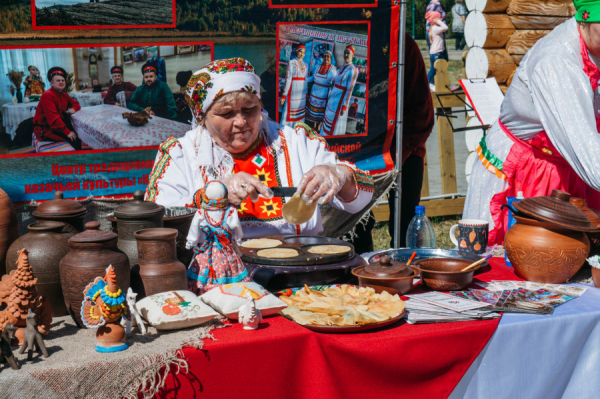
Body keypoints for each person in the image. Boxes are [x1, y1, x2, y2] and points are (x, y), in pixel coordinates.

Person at [145, 57, 373, 239]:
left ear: (261, 106)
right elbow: (156, 220)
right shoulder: (180, 153)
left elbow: (361, 198)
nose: (240, 121)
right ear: (203, 117)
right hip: (215, 275)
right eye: (226, 114)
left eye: (249, 109)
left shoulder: (294, 141)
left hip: (297, 268)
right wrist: (216, 192)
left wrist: (339, 175)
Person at [463, 4, 600, 245]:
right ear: (584, 19)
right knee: (528, 260)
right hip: (529, 174)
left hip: (571, 168)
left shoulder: (593, 43)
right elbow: (593, 161)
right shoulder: (557, 63)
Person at [347, 33, 434, 253]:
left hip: (405, 147)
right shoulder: (348, 37)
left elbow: (422, 115)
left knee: (406, 225)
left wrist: (394, 156)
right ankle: (359, 271)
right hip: (357, 152)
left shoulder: (404, 44)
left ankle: (405, 271)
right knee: (356, 224)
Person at [32, 67, 82, 150]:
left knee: (77, 137)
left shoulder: (63, 95)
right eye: (58, 80)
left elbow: (76, 104)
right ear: (51, 83)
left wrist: (74, 108)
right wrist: (68, 132)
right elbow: (53, 119)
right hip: (46, 129)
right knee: (73, 138)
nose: (61, 82)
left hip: (55, 127)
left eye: (63, 80)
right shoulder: (47, 95)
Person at [321, 45, 359, 136]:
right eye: (345, 53)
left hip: (340, 101)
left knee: (335, 125)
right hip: (333, 99)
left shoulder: (352, 70)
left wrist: (345, 106)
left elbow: (349, 89)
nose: (346, 55)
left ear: (352, 55)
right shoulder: (341, 68)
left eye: (348, 53)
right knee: (327, 121)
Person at [305, 50, 337, 132]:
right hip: (315, 90)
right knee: (313, 109)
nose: (326, 58)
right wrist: (304, 80)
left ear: (330, 59)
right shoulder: (318, 66)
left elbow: (335, 82)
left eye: (328, 57)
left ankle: (319, 125)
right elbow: (313, 77)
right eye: (325, 56)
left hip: (324, 92)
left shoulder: (333, 69)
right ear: (322, 58)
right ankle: (314, 124)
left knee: (322, 110)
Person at [280, 45, 309, 127]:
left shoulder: (306, 65)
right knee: (290, 110)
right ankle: (286, 128)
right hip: (293, 89)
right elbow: (288, 79)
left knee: (299, 111)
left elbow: (306, 80)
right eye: (300, 51)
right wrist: (284, 95)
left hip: (302, 92)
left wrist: (306, 93)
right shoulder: (291, 62)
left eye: (303, 52)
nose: (302, 54)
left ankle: (298, 129)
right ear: (296, 51)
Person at [426, 11, 448, 91]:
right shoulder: (435, 28)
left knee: (438, 69)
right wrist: (439, 21)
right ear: (435, 20)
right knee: (434, 70)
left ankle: (435, 83)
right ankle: (427, 84)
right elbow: (445, 28)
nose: (441, 19)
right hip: (436, 53)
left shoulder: (433, 28)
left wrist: (438, 21)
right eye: (439, 18)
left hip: (437, 52)